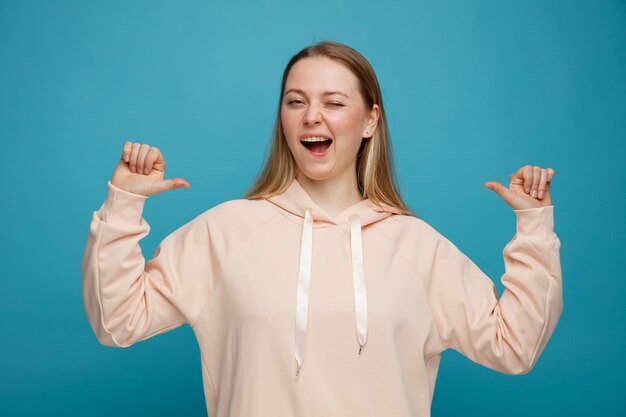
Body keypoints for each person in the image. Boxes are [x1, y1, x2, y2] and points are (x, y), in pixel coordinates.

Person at [81, 41, 562, 417]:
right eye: (296, 101)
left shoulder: (417, 247)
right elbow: (116, 320)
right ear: (284, 119)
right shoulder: (226, 231)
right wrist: (125, 204)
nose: (312, 115)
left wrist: (533, 226)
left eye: (334, 102)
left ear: (370, 120)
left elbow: (514, 345)